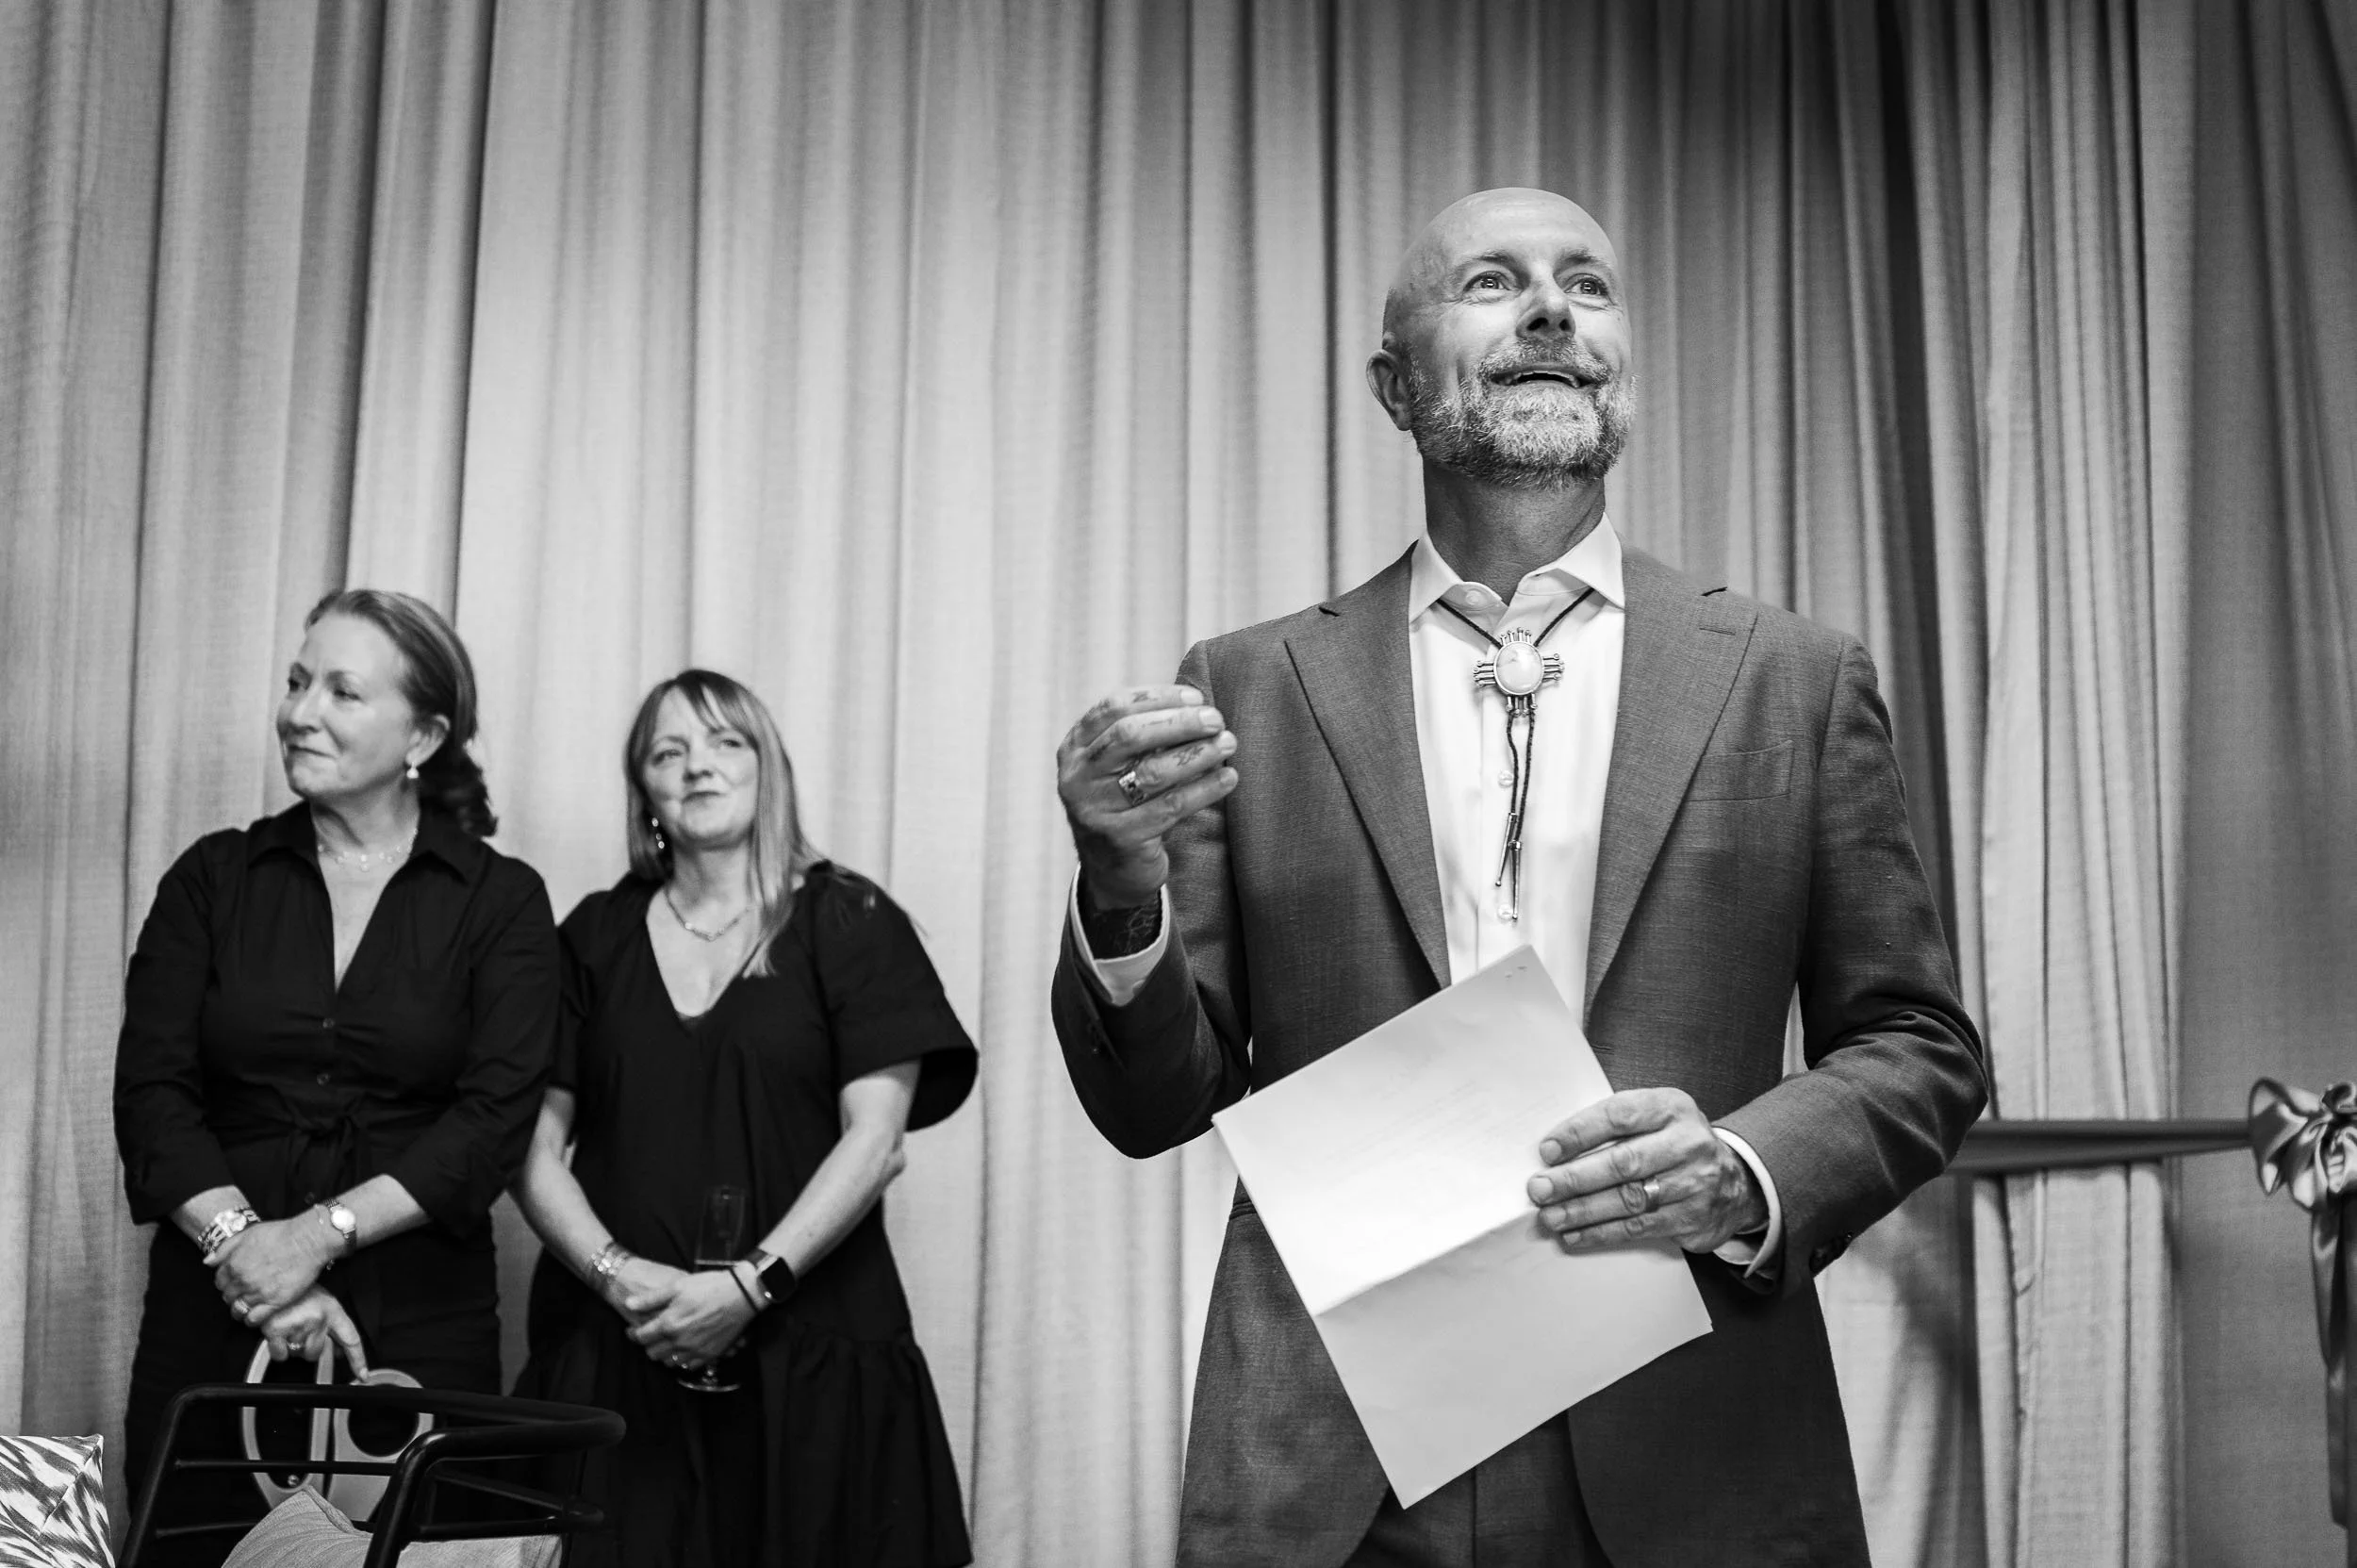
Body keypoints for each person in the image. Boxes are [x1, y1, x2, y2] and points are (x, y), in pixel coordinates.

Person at [1050, 189, 1988, 1567]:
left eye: (1588, 286)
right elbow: (1153, 1103)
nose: (1552, 308)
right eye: (1493, 280)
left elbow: (1921, 1044)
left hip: (1691, 1431)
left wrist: (1739, 1169)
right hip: (1341, 1460)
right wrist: (1117, 885)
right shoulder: (1248, 686)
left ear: (1618, 364)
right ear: (1394, 382)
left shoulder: (1795, 677)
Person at [114, 589, 558, 1564]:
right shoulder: (212, 877)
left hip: (419, 1318)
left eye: (343, 692)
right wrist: (251, 1255)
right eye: (297, 681)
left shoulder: (503, 901)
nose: (300, 711)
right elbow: (152, 1092)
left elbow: (489, 1123)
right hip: (218, 1310)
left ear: (424, 734)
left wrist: (316, 1236)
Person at [510, 669, 976, 1568]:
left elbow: (875, 1142)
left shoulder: (851, 919)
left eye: (727, 742)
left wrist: (749, 1287)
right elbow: (530, 1149)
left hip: (813, 1362)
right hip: (615, 1351)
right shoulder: (593, 935)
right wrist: (619, 1278)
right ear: (642, 789)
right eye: (667, 751)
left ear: (772, 769)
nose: (697, 767)